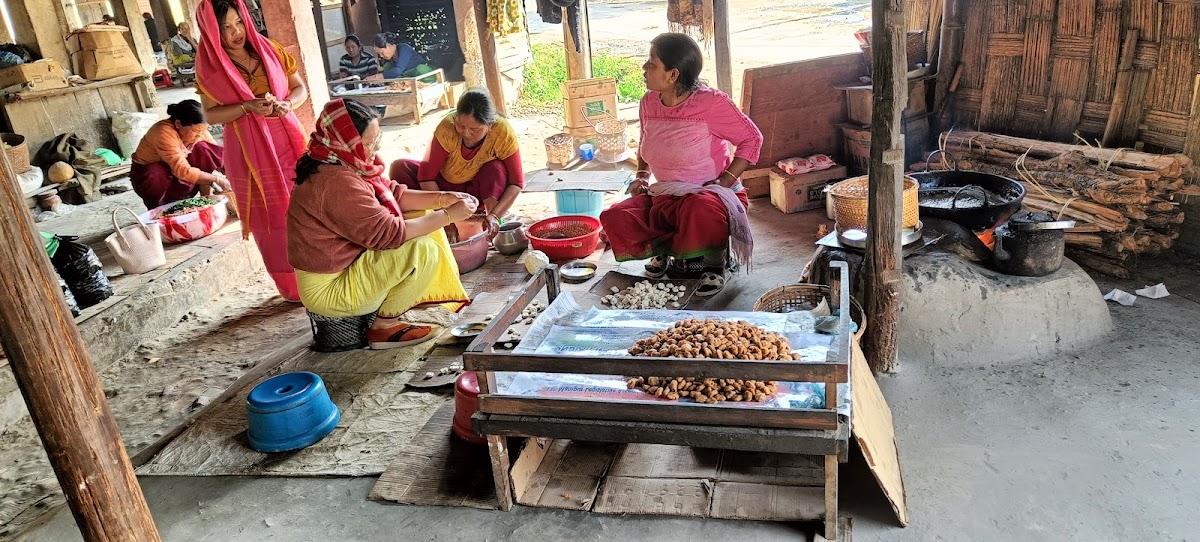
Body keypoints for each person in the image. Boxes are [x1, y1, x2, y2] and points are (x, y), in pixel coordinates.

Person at [288, 99, 472, 349]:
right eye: (367, 143)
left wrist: (443, 199)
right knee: (422, 249)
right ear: (345, 142)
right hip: (329, 292)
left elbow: (392, 193)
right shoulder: (335, 181)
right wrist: (448, 216)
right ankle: (384, 328)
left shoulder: (341, 163)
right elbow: (389, 233)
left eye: (376, 141)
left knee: (422, 213)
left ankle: (395, 310)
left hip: (343, 273)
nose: (374, 149)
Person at [599, 33, 763, 297]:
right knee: (616, 215)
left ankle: (714, 263)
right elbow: (645, 142)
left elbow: (752, 139)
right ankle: (666, 251)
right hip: (664, 192)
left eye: (651, 64)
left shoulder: (712, 103)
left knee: (699, 209)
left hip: (707, 196)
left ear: (673, 74)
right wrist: (642, 176)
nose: (644, 68)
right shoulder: (649, 102)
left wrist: (724, 181)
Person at [195, 0, 308, 300]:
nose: (236, 33)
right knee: (272, 218)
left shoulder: (269, 49)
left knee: (307, 203)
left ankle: (322, 274)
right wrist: (246, 107)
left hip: (288, 138)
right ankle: (293, 288)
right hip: (249, 152)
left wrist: (288, 104)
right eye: (226, 28)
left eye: (239, 23)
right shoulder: (210, 67)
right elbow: (212, 114)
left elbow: (299, 89)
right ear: (211, 32)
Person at [390, 89, 523, 237]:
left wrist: (495, 216)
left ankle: (488, 217)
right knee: (400, 167)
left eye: (474, 129)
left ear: (490, 125)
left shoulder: (502, 133)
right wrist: (445, 218)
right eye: (461, 125)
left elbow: (516, 183)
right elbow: (426, 177)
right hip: (446, 192)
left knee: (495, 168)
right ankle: (426, 221)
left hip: (478, 193)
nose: (466, 133)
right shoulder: (446, 128)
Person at [131, 100, 229, 209]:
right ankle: (161, 212)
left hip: (180, 173)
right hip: (153, 177)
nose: (199, 135)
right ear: (178, 124)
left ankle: (206, 200)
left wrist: (232, 175)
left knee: (203, 148)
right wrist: (217, 179)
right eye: (195, 131)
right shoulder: (162, 132)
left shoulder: (199, 130)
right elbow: (182, 171)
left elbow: (217, 156)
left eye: (203, 130)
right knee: (155, 174)